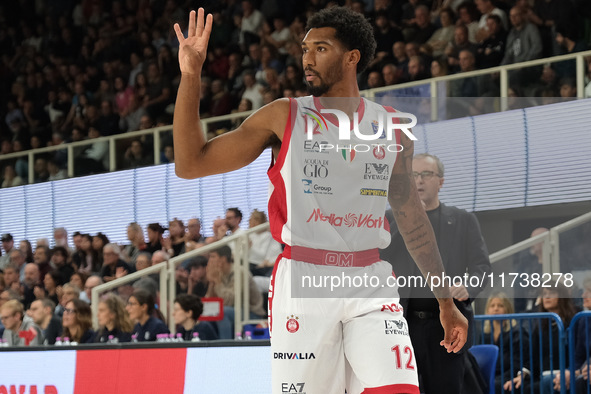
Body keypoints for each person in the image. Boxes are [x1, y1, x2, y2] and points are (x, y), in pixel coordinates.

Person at [173, 7, 468, 393]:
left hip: (369, 279)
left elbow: (412, 219)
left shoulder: (393, 129)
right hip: (303, 279)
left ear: (351, 58)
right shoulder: (283, 116)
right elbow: (191, 163)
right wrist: (191, 75)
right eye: (305, 48)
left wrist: (445, 301)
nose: (307, 59)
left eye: (321, 48)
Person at [381, 153, 491, 394]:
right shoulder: (389, 219)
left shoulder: (462, 220)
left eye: (426, 174)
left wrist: (467, 286)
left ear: (441, 181)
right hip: (402, 322)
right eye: (413, 175)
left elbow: (482, 268)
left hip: (446, 326)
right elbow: (379, 260)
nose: (418, 181)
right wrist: (406, 219)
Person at [204, 245, 265, 339]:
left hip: (251, 313)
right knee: (203, 312)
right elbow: (209, 302)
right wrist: (212, 283)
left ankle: (225, 346)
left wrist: (217, 282)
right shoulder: (220, 273)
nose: (210, 261)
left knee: (222, 312)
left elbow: (231, 301)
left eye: (212, 257)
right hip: (233, 310)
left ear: (223, 259)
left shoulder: (240, 272)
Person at [480, 292, 527, 393]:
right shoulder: (485, 334)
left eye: (500, 305)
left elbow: (518, 363)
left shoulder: (516, 332)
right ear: (487, 311)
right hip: (490, 374)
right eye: (492, 306)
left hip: (509, 375)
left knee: (495, 385)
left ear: (508, 309)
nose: (496, 308)